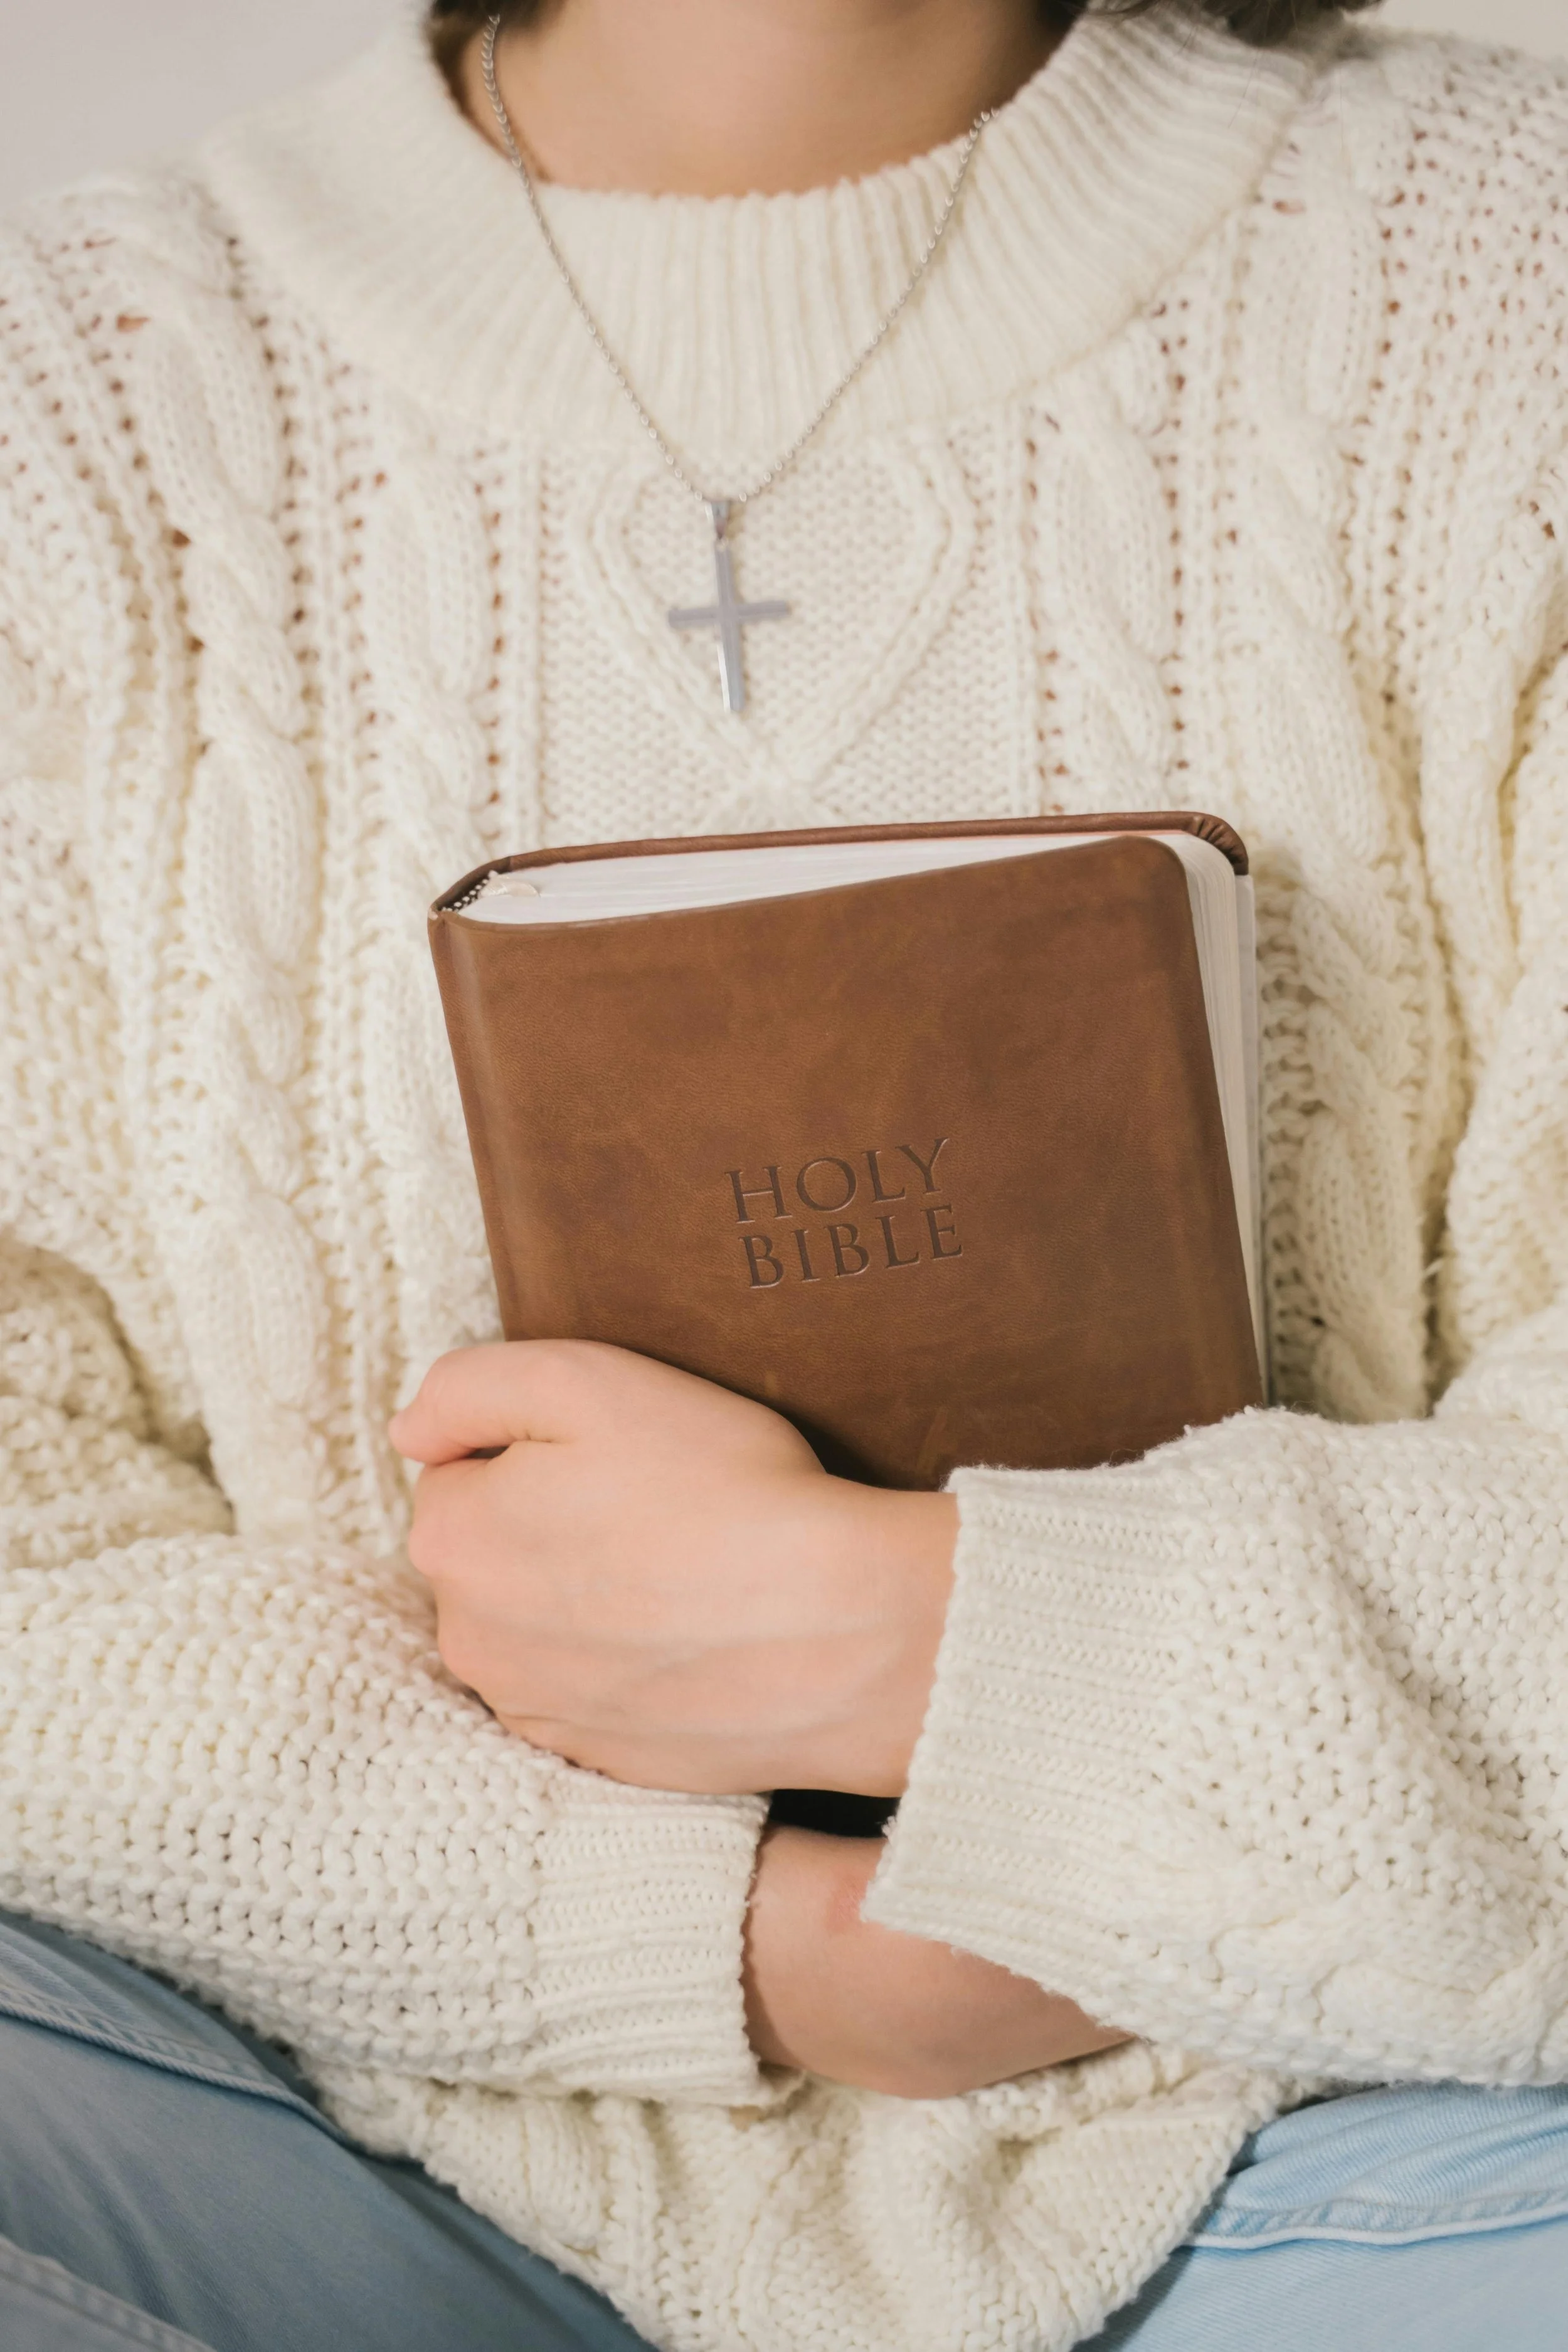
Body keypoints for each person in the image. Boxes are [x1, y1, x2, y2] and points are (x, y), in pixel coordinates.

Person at [1, 0, 1567, 2343]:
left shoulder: (1508, 268)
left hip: (1359, 2128)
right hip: (343, 2142)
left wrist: (948, 1650)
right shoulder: (74, 401)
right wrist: (730, 1944)